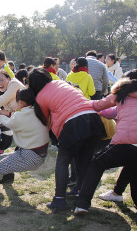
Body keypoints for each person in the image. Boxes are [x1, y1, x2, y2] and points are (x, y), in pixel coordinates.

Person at [74, 70, 137, 215]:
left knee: (96, 164)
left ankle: (82, 204)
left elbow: (97, 105)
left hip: (127, 143)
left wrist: (79, 102)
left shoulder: (121, 94)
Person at [28, 68, 106, 209]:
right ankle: (82, 200)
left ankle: (59, 199)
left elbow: (45, 121)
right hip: (93, 119)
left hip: (73, 123)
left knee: (63, 161)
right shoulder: (62, 83)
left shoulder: (40, 97)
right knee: (84, 162)